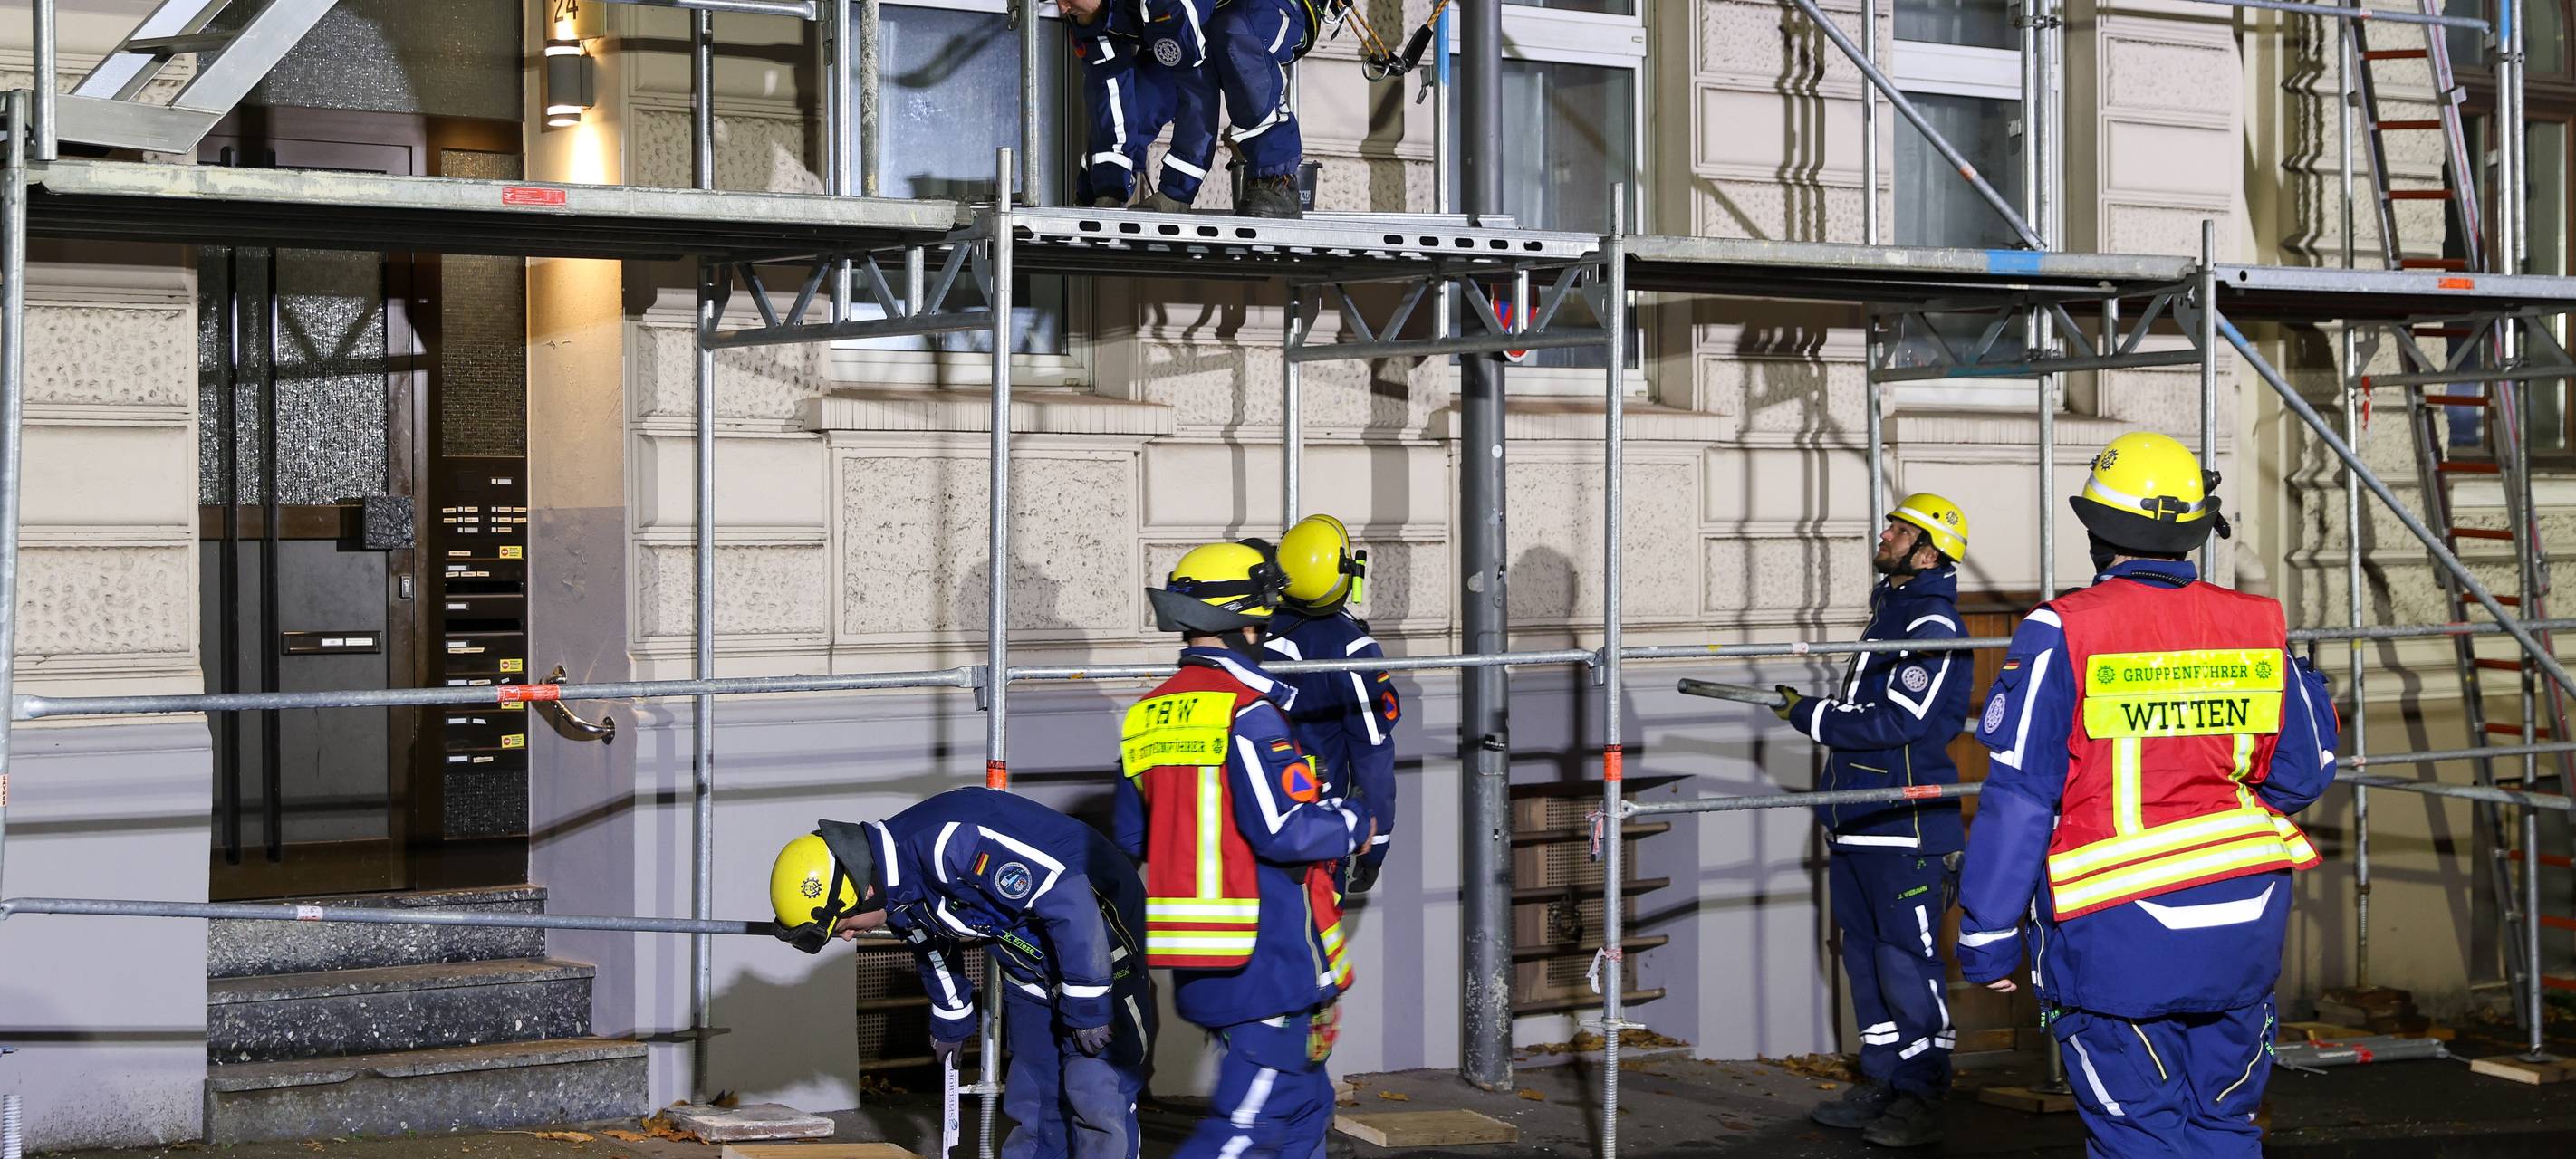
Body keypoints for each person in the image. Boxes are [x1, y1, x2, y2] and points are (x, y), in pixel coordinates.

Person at [1956, 432, 2339, 1158]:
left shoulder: (2061, 630)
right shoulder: (2258, 627)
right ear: (2195, 530)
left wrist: (1986, 934)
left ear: (2097, 530)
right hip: (2243, 930)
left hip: (2117, 941)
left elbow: (2022, 796)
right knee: (2222, 1126)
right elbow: (2303, 773)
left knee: (2139, 1135)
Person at [1114, 541, 1375, 1158]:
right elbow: (1283, 831)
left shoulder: (1147, 715)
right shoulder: (1247, 713)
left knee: (1304, 1110)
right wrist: (1351, 821)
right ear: (1251, 619)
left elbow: (1131, 839)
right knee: (1249, 1129)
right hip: (1268, 958)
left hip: (1204, 954)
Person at [768, 788, 1155, 1159]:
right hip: (1027, 955)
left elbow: (1069, 900)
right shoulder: (898, 888)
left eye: (844, 924)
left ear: (862, 889)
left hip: (1096, 930)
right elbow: (930, 946)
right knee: (1035, 1090)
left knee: (1095, 1090)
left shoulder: (949, 843)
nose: (850, 935)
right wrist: (951, 1017)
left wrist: (1088, 1002)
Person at [1768, 493, 1974, 1149]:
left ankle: (1924, 1092)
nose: (1884, 534)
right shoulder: (1894, 614)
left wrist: (1811, 716)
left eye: (1899, 529)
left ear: (1928, 550)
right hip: (1858, 820)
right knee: (1865, 961)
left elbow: (1900, 722)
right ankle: (1885, 1079)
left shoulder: (1932, 627)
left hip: (1905, 826)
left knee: (1908, 964)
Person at [1248, 514, 1401, 895]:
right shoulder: (1349, 649)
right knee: (1312, 944)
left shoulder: (1249, 629)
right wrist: (1376, 844)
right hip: (1314, 827)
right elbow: (1373, 755)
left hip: (1249, 816)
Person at [1062, 0, 1223, 212]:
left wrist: (1177, 192)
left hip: (1235, 19)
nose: (1061, 8)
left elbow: (1198, 92)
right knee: (1139, 107)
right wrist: (1106, 189)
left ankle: (1271, 177)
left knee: (1245, 67)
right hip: (1166, 28)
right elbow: (1108, 89)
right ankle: (1099, 189)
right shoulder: (1081, 14)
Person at [1208, 0, 1322, 217]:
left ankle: (1275, 178)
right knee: (1169, 37)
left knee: (1239, 26)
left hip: (1265, 10)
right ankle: (1128, 173)